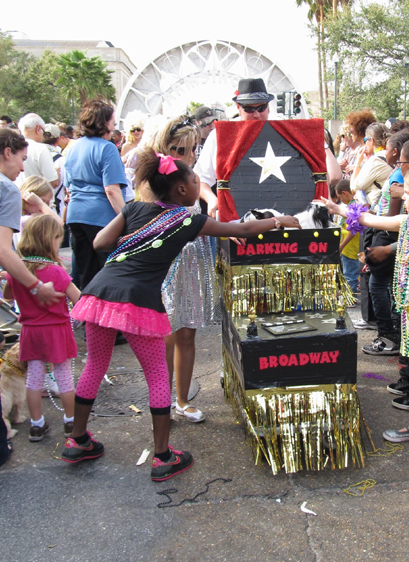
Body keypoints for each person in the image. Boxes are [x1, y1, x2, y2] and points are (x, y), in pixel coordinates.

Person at [61, 147, 301, 480]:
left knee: (94, 365)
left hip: (99, 294)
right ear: (183, 190)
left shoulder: (134, 207)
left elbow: (101, 242)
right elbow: (242, 230)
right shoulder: (189, 219)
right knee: (158, 374)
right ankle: (162, 457)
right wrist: (279, 220)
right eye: (194, 180)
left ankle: (78, 440)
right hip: (138, 300)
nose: (198, 185)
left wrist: (131, 238)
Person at [322, 165, 409, 444]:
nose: (401, 197)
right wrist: (338, 211)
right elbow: (371, 220)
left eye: (407, 193)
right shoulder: (408, 222)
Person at [145, 115, 220, 423]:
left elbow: (204, 197)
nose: (186, 155)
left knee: (187, 333)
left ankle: (182, 399)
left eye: (192, 150)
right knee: (165, 334)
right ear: (165, 147)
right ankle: (162, 400)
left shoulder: (192, 178)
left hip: (191, 260)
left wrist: (210, 198)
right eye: (179, 149)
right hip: (164, 264)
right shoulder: (155, 183)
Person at [0, 130, 63, 466]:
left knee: (33, 375)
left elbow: (9, 286)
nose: (22, 169)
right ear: (7, 152)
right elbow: (3, 250)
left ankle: (29, 424)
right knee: (57, 374)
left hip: (28, 332)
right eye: (22, 160)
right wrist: (37, 287)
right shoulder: (6, 188)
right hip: (51, 332)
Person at [197, 78, 342, 216]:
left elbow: (332, 174)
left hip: (291, 221)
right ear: (238, 107)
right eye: (249, 109)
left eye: (261, 107)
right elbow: (200, 178)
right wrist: (211, 199)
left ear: (268, 106)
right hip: (239, 224)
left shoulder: (290, 131)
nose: (256, 114)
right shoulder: (220, 137)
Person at [4, 215, 80, 441]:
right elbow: (78, 299)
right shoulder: (56, 272)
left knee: (33, 381)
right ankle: (71, 421)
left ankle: (36, 425)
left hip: (30, 332)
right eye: (58, 239)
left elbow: (8, 295)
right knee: (64, 377)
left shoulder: (17, 272)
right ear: (50, 241)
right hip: (57, 331)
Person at [63, 100, 127, 290]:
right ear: (103, 122)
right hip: (101, 218)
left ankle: (83, 315)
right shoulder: (107, 148)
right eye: (112, 122)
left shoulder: (73, 147)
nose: (114, 126)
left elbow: (68, 185)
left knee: (84, 273)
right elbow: (111, 189)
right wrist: (127, 217)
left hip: (76, 215)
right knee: (107, 273)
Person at [361, 130, 409, 357]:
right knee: (384, 285)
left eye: (388, 149)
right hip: (381, 231)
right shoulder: (396, 172)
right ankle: (391, 332)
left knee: (378, 285)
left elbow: (392, 217)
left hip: (387, 234)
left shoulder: (400, 176)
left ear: (396, 152)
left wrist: (378, 237)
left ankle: (388, 335)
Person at [349, 122, 392, 206]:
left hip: (378, 211)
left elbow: (354, 187)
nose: (365, 143)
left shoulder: (376, 160)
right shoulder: (391, 155)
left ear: (371, 140)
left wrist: (358, 162)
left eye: (365, 140)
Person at [16, 113, 59, 189]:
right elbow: (53, 182)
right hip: (37, 198)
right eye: (43, 131)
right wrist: (58, 174)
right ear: (38, 129)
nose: (43, 135)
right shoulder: (40, 149)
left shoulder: (12, 147)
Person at [335, 179, 360, 295]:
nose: (340, 200)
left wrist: (342, 245)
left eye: (340, 197)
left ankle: (350, 297)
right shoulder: (355, 205)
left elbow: (352, 230)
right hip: (348, 247)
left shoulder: (353, 208)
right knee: (348, 273)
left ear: (345, 193)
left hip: (350, 247)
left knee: (350, 274)